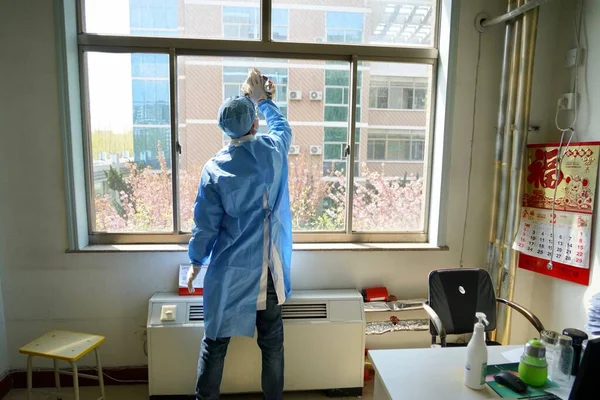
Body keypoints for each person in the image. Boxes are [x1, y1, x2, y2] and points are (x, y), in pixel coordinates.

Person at [186, 68, 293, 400]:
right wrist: (262, 101)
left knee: (214, 345)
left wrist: (195, 262)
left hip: (229, 274)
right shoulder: (273, 152)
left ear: (223, 128)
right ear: (254, 124)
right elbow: (283, 128)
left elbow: (205, 227)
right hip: (269, 274)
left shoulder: (215, 169)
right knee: (272, 346)